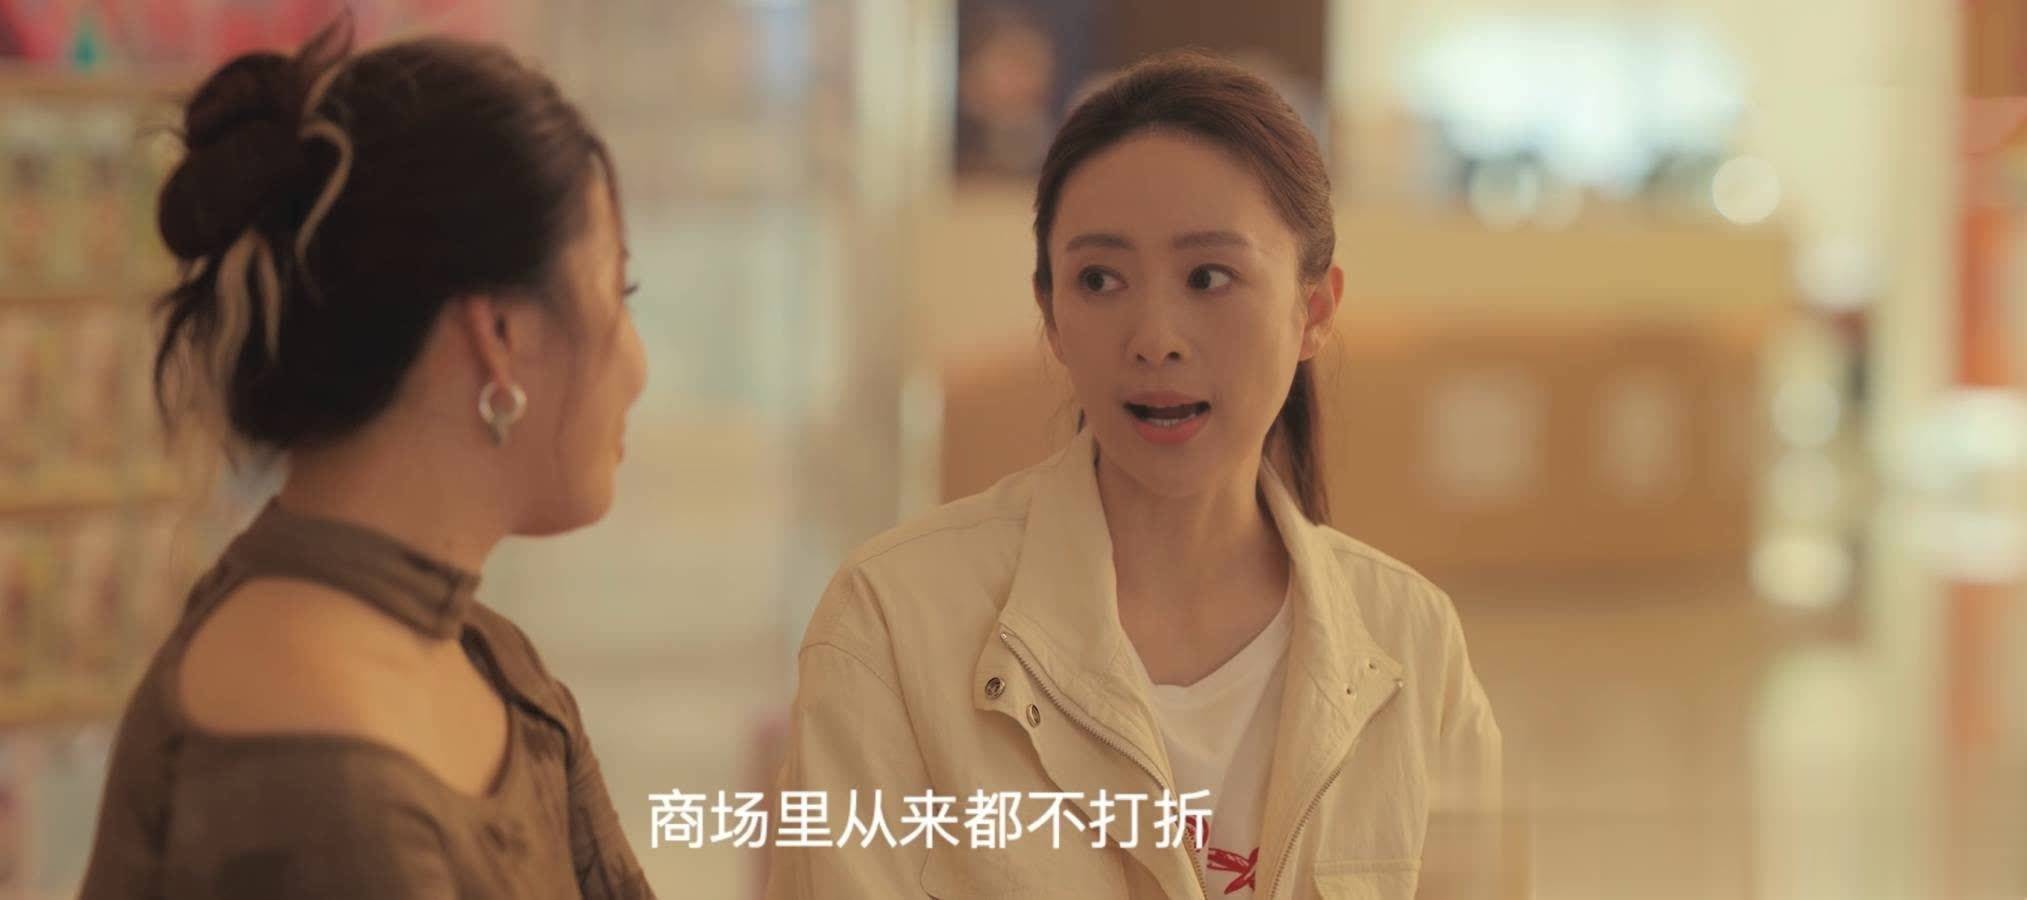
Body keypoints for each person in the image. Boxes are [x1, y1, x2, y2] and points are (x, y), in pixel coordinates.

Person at [767, 51, 1500, 899]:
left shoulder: (1411, 644)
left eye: (1209, 277)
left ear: (1314, 310)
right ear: (1051, 315)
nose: (1154, 338)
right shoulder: (892, 624)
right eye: (1100, 280)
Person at [80, 17, 653, 899]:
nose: (637, 366)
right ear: (499, 334)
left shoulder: (489, 660)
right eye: (618, 292)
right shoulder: (320, 772)